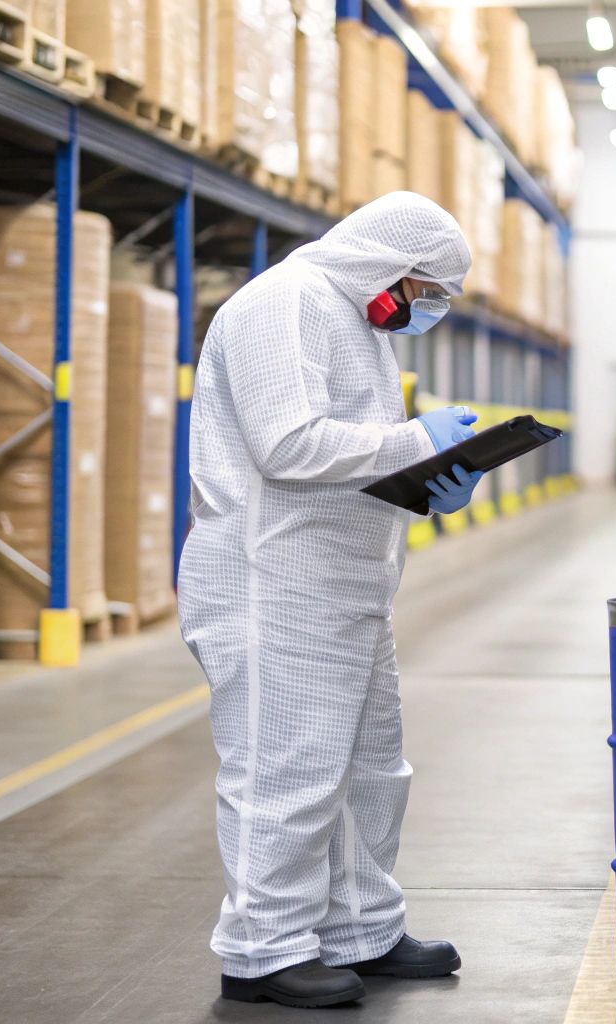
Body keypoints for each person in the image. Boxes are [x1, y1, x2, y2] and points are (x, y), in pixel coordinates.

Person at [179, 192, 483, 1008]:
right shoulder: (285, 304)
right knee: (285, 772)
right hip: (270, 585)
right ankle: (263, 949)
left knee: (370, 769)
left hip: (343, 585)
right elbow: (288, 445)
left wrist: (426, 485)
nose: (422, 312)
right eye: (424, 294)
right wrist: (420, 438)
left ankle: (361, 928)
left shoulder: (356, 323)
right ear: (387, 266)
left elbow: (353, 460)